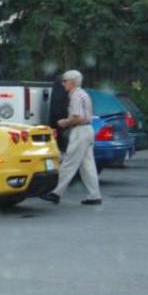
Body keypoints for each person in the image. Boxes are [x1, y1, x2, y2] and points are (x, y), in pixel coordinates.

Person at [41, 70, 102, 205]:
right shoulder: (83, 94)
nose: (63, 84)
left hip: (79, 131)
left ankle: (55, 192)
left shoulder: (75, 96)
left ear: (72, 82)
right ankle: (94, 195)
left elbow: (77, 117)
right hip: (88, 130)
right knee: (87, 164)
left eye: (65, 81)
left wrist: (65, 122)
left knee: (69, 162)